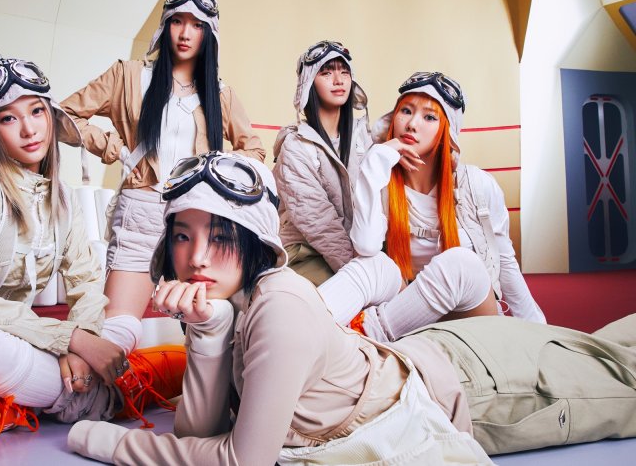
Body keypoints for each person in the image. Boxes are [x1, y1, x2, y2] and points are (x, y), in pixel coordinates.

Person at [65, 151, 636, 465]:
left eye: (219, 235)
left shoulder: (278, 305)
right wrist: (209, 333)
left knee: (624, 371)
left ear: (252, 239)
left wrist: (103, 440)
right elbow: (200, 431)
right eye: (182, 235)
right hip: (423, 362)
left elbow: (243, 461)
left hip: (476, 386)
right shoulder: (231, 303)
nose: (196, 257)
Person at [0, 58, 184, 453]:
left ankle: (1, 406)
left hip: (17, 340)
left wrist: (83, 342)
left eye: (37, 111)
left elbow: (87, 286)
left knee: (122, 323)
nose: (29, 129)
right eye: (9, 118)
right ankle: (110, 394)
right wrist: (71, 339)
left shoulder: (62, 197)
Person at [61, 0, 265, 357]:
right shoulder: (128, 76)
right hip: (141, 212)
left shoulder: (221, 94)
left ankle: (203, 389)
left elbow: (254, 150)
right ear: (164, 26)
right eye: (177, 21)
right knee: (117, 329)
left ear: (209, 33)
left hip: (199, 221)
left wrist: (216, 176)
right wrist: (113, 148)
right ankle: (87, 386)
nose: (185, 33)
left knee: (213, 329)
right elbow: (63, 116)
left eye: (197, 25)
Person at [318, 71, 546, 341]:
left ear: (446, 130)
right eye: (406, 111)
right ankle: (305, 326)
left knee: (461, 263)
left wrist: (537, 335)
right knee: (373, 264)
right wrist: (374, 161)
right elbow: (366, 247)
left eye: (429, 117)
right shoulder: (381, 181)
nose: (412, 124)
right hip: (410, 317)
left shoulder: (477, 185)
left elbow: (506, 264)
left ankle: (363, 336)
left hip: (470, 320)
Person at [272, 40, 371, 286]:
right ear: (308, 84)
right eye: (326, 73)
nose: (338, 80)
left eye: (344, 72)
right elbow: (319, 223)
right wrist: (363, 276)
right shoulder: (295, 147)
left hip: (358, 250)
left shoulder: (363, 138)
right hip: (305, 252)